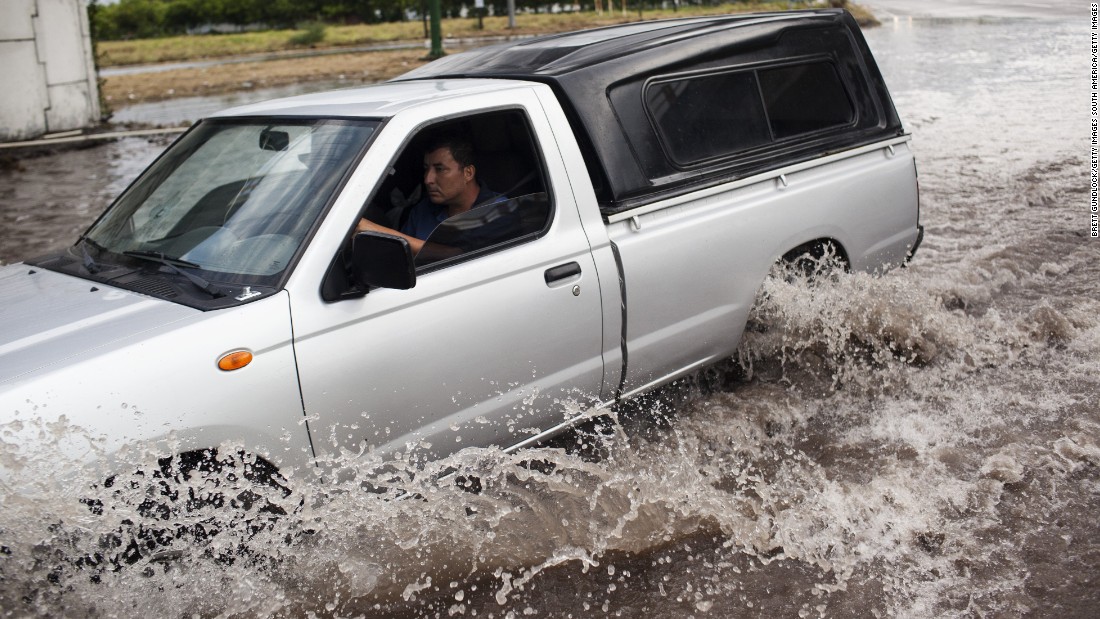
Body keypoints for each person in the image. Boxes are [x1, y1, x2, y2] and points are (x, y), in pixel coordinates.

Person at [356, 134, 500, 256]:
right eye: (426, 169)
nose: (427, 179)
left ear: (468, 173)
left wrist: (373, 229)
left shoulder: (499, 210)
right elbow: (400, 254)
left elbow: (461, 255)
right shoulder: (423, 210)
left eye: (439, 169)